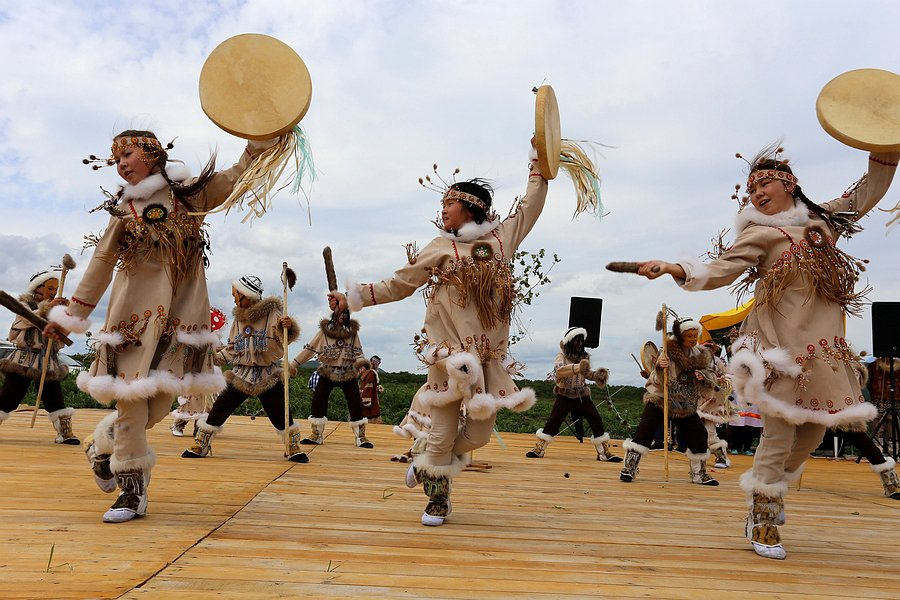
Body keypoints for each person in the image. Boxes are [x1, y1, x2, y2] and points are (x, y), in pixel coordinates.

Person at [634, 142, 899, 559]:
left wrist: (886, 148)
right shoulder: (761, 234)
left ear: (790, 183)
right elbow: (721, 268)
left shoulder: (824, 219)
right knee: (777, 434)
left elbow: (868, 191)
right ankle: (764, 516)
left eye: (764, 183)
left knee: (811, 433)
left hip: (822, 350)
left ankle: (765, 482)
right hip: (776, 348)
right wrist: (675, 268)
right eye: (751, 188)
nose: (756, 193)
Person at [44, 129, 280, 523]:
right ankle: (132, 493)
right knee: (133, 407)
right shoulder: (125, 210)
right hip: (133, 319)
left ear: (153, 157)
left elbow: (236, 174)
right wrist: (73, 316)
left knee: (159, 406)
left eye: (128, 154)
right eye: (115, 158)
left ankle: (102, 444)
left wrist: (260, 140)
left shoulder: (190, 197)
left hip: (181, 320)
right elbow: (101, 262)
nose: (120, 163)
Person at [329, 142, 549, 526]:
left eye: (449, 203)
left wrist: (539, 161)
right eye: (443, 203)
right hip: (449, 359)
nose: (443, 209)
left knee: (478, 436)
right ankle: (438, 500)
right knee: (444, 432)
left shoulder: (502, 240)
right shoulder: (439, 247)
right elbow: (400, 283)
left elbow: (531, 205)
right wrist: (352, 298)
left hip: (487, 361)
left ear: (470, 207)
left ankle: (425, 459)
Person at [181, 275, 308, 463]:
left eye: (236, 294)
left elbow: (285, 339)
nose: (233, 298)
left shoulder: (273, 314)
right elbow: (233, 348)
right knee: (219, 408)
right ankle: (202, 443)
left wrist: (288, 327)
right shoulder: (238, 319)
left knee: (281, 411)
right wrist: (214, 358)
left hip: (267, 375)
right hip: (241, 374)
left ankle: (292, 446)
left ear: (247, 295)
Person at [619, 317, 720, 486]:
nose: (693, 339)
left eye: (695, 336)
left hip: (684, 403)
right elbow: (655, 379)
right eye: (689, 336)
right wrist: (659, 366)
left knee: (699, 434)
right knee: (644, 431)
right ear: (681, 336)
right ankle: (629, 468)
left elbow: (712, 377)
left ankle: (698, 473)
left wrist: (704, 377)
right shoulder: (666, 351)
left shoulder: (701, 355)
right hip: (661, 399)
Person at [0, 269, 79, 444]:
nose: (53, 292)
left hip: (47, 361)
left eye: (55, 289)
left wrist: (64, 313)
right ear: (38, 287)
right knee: (8, 397)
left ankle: (65, 434)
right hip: (23, 360)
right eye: (50, 288)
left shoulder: (57, 309)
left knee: (55, 399)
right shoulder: (24, 305)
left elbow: (63, 335)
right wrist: (48, 308)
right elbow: (28, 319)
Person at [525, 327, 621, 462]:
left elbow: (586, 374)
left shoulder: (584, 358)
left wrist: (597, 376)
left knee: (596, 419)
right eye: (576, 341)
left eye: (581, 341)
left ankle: (603, 453)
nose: (579, 344)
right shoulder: (561, 356)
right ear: (570, 342)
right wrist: (577, 368)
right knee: (554, 421)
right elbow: (559, 371)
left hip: (581, 395)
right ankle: (539, 450)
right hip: (564, 395)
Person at [289, 302, 370, 448]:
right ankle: (316, 434)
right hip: (327, 371)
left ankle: (361, 437)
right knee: (318, 400)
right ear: (334, 315)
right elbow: (310, 349)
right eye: (340, 313)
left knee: (355, 402)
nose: (342, 316)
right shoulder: (324, 332)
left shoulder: (352, 333)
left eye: (345, 313)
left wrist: (362, 365)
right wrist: (293, 364)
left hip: (347, 372)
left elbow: (358, 351)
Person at [697, 342, 734, 468]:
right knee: (695, 432)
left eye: (710, 349)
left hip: (711, 403)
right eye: (704, 349)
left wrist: (718, 380)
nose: (707, 351)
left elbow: (728, 379)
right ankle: (698, 459)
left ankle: (722, 457)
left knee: (709, 433)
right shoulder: (694, 364)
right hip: (696, 402)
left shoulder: (719, 364)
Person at [358, 355, 382, 424]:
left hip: (368, 398)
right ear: (372, 362)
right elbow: (368, 387)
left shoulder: (370, 373)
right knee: (371, 415)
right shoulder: (371, 373)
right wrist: (366, 401)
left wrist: (377, 389)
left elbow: (370, 386)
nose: (378, 364)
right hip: (369, 401)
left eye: (379, 362)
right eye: (377, 362)